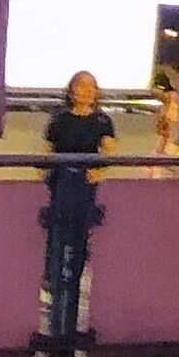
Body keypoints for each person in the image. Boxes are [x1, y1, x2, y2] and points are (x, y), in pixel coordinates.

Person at [41, 69, 116, 237]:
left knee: (82, 227)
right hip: (60, 180)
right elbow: (46, 151)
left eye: (92, 86)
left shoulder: (102, 121)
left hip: (86, 181)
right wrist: (44, 173)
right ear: (71, 91)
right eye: (82, 85)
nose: (88, 90)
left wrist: (100, 172)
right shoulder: (59, 119)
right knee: (59, 225)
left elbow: (110, 151)